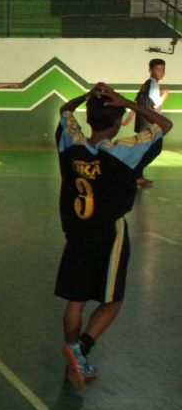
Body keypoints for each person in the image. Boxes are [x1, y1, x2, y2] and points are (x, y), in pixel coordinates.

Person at [55, 82, 170, 390]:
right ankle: (80, 352)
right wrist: (129, 103)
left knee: (75, 299)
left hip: (75, 231)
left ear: (90, 117)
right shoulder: (123, 153)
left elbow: (65, 111)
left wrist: (87, 96)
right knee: (113, 300)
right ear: (118, 121)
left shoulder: (72, 144)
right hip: (108, 234)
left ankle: (71, 351)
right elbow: (164, 125)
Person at [123, 58, 169, 187]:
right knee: (155, 149)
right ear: (150, 70)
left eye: (163, 69)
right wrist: (165, 94)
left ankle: (138, 175)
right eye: (158, 69)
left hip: (142, 123)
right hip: (150, 124)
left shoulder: (146, 84)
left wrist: (128, 119)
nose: (161, 72)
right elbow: (155, 106)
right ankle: (135, 174)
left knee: (144, 150)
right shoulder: (153, 84)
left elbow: (136, 102)